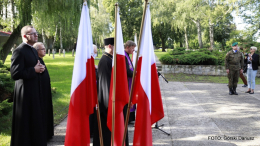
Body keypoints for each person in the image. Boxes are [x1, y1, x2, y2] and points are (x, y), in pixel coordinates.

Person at [10, 25, 47, 146]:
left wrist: (40, 69)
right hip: (25, 94)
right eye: (33, 33)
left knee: (35, 120)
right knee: (25, 123)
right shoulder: (19, 51)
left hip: (34, 92)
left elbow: (34, 67)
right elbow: (15, 73)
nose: (36, 35)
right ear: (25, 36)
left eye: (36, 33)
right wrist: (34, 70)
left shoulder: (32, 49)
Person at [93, 38, 129, 146]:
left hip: (113, 100)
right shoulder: (105, 61)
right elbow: (105, 85)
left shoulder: (110, 59)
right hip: (107, 103)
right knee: (107, 135)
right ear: (110, 46)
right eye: (116, 46)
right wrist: (112, 104)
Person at [33, 42, 54, 140]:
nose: (45, 50)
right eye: (42, 49)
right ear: (36, 51)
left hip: (46, 91)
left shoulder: (41, 60)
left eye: (44, 48)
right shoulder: (36, 61)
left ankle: (48, 133)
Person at [124, 40, 136, 123]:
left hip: (130, 80)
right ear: (127, 47)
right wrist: (136, 73)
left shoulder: (127, 55)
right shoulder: (124, 56)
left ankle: (131, 117)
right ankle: (127, 118)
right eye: (132, 48)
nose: (133, 50)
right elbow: (127, 70)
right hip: (127, 81)